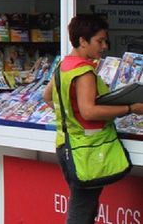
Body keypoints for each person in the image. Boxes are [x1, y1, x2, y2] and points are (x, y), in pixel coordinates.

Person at [42, 15, 143, 224]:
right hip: (88, 149)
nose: (104, 46)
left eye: (106, 41)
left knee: (82, 206)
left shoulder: (64, 65)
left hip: (66, 145)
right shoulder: (84, 71)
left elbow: (47, 96)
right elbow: (88, 111)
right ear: (82, 41)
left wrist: (71, 117)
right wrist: (130, 108)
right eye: (100, 41)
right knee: (82, 212)